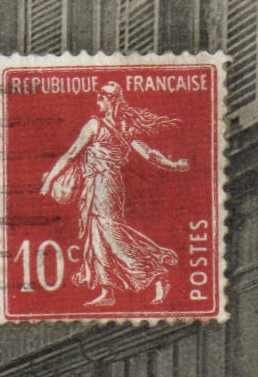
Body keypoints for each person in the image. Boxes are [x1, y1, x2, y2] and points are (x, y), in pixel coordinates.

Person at [40, 81, 189, 307]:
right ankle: (107, 290)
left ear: (112, 101)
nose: (98, 101)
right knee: (96, 235)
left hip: (107, 183)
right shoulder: (104, 125)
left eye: (102, 97)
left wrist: (174, 165)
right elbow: (73, 154)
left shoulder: (106, 126)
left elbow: (148, 154)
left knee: (111, 232)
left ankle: (157, 272)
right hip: (93, 185)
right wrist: (51, 179)